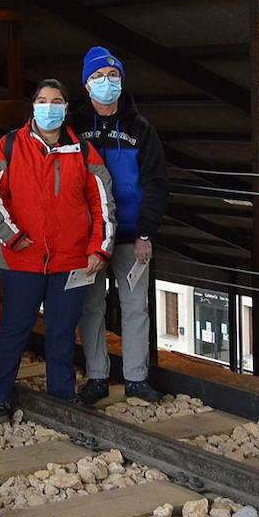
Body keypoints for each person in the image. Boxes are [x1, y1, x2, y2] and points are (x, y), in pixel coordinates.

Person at [0, 79, 115, 421]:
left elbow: (103, 203)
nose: (49, 106)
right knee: (14, 328)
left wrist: (99, 248)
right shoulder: (9, 146)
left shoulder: (83, 152)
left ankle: (61, 398)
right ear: (33, 106)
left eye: (56, 101)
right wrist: (11, 235)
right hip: (20, 257)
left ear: (66, 109)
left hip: (70, 261)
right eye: (42, 100)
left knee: (61, 331)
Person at [75, 46, 169, 405]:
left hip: (132, 236)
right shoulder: (75, 128)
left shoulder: (141, 129)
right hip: (90, 237)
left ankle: (136, 378)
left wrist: (146, 233)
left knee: (135, 308)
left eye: (112, 76)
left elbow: (156, 184)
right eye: (98, 77)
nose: (106, 83)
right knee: (91, 307)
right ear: (86, 85)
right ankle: (97, 376)